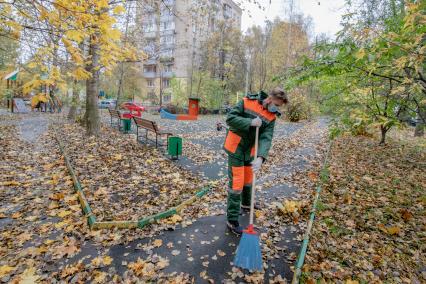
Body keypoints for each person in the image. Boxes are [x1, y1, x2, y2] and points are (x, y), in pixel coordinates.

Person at [223, 87, 289, 235]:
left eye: (278, 106)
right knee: (237, 183)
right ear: (270, 98)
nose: (276, 108)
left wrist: (260, 157)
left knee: (248, 179)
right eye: (276, 104)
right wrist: (250, 122)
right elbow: (230, 119)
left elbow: (266, 137)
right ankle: (232, 220)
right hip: (236, 146)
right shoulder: (247, 101)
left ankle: (246, 204)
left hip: (250, 150)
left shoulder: (272, 117)